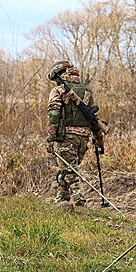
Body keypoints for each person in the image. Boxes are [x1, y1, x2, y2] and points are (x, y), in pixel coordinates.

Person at [45, 60, 104, 210]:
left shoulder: (58, 91)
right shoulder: (87, 90)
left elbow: (53, 115)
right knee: (65, 169)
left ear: (58, 76)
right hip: (83, 138)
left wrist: (50, 138)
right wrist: (99, 139)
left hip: (66, 137)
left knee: (70, 171)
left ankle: (80, 203)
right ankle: (61, 200)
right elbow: (93, 118)